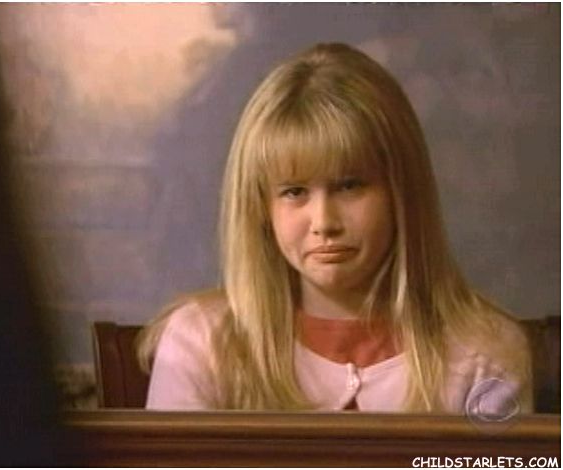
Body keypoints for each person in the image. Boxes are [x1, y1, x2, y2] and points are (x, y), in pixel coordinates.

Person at [136, 42, 532, 413]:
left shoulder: (487, 352)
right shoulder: (200, 343)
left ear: (402, 192)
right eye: (294, 192)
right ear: (260, 206)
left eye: (349, 186)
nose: (324, 223)